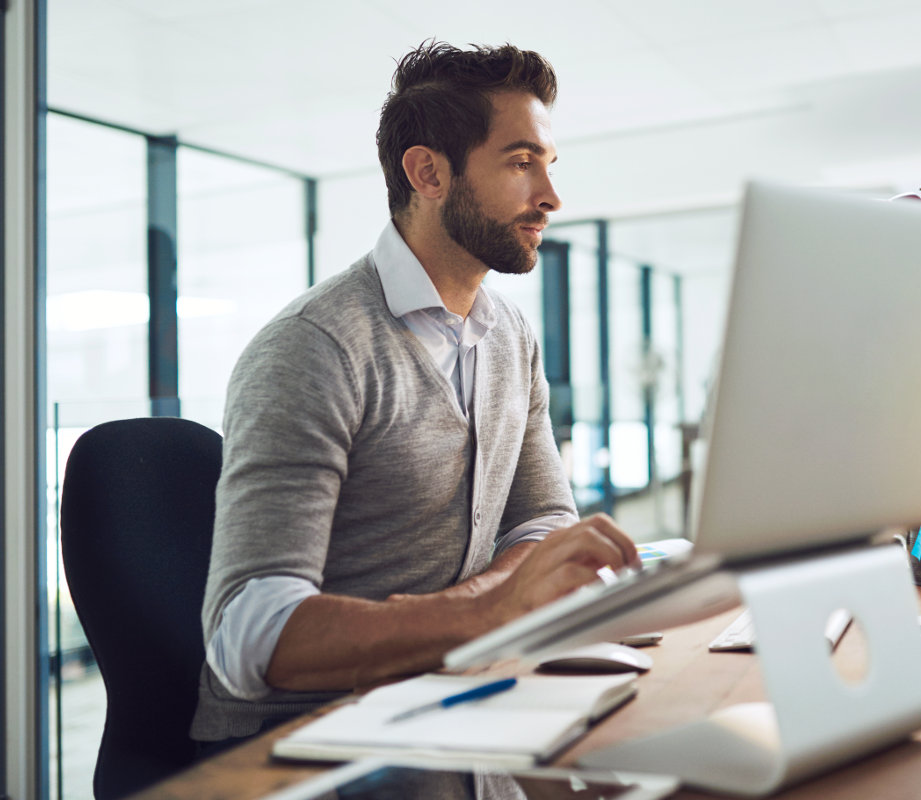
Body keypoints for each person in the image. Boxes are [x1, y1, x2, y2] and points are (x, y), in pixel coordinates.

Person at [190, 41, 640, 749]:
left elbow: (543, 519)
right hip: (301, 749)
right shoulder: (313, 348)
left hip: (451, 703)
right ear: (428, 172)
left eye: (548, 165)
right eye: (521, 163)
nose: (551, 196)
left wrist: (486, 605)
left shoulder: (507, 335)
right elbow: (254, 636)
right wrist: (489, 612)